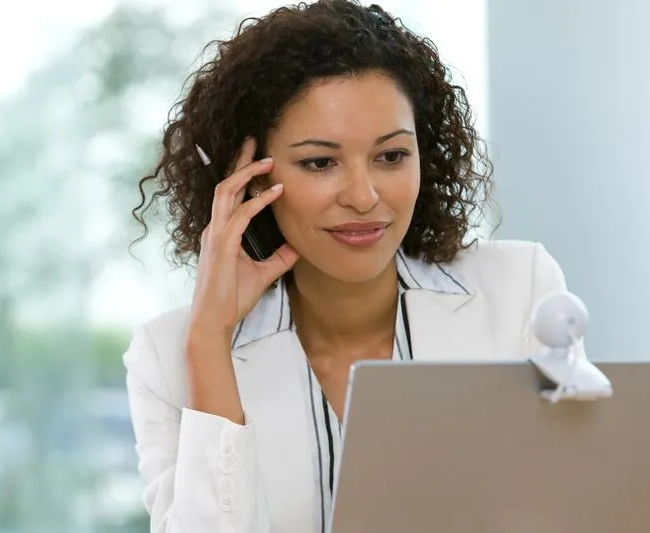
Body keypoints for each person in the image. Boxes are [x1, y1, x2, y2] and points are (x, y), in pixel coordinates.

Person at [124, 1, 583, 532]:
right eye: (320, 162)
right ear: (249, 180)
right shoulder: (167, 359)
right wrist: (210, 339)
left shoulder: (520, 292)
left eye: (391, 156)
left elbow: (571, 508)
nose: (364, 197)